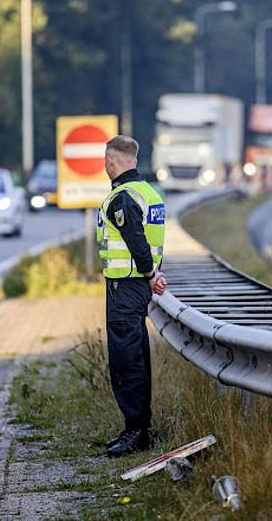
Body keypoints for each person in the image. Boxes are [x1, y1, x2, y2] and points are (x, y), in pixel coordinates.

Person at [96, 135, 167, 458]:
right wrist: (151, 274)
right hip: (135, 287)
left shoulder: (123, 197)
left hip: (126, 287)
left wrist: (151, 274)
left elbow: (137, 240)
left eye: (105, 161)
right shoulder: (148, 192)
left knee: (126, 361)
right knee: (135, 356)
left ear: (111, 161)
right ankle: (137, 428)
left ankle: (136, 432)